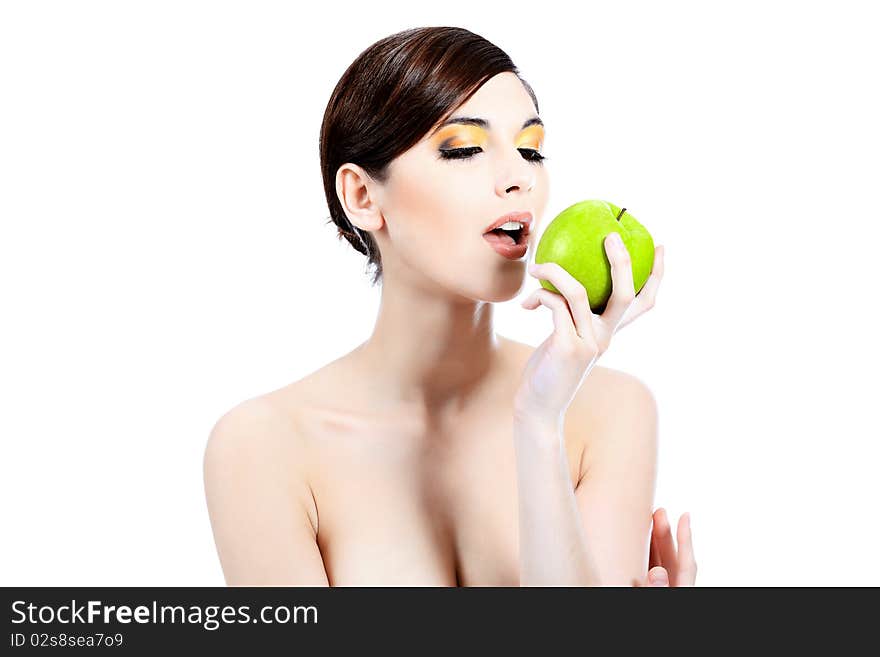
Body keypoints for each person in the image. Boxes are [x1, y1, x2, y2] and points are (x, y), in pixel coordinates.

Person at [203, 26, 697, 587]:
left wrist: (538, 422)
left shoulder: (607, 413)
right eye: (464, 149)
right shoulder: (261, 448)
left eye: (531, 149)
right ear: (363, 197)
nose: (519, 180)